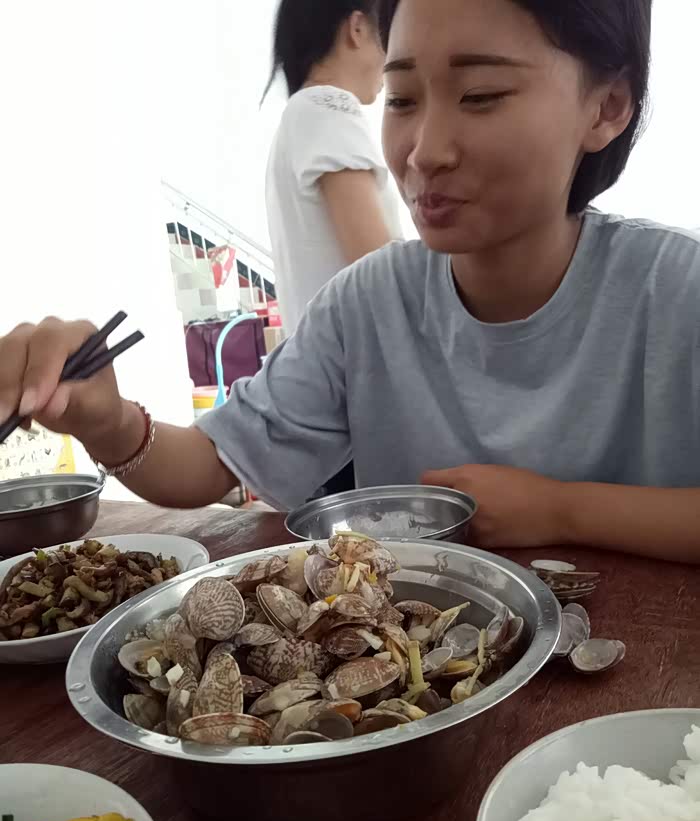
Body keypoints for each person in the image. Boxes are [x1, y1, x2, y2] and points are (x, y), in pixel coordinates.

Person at [1, 0, 699, 565]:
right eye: (402, 99)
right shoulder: (367, 304)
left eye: (481, 96)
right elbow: (210, 464)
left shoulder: (678, 290)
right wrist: (109, 421)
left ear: (608, 105)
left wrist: (561, 510)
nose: (424, 152)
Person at [263, 0, 402, 338]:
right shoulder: (326, 110)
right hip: (360, 359)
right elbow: (380, 271)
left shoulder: (299, 117)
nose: (390, 57)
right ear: (357, 28)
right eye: (387, 37)